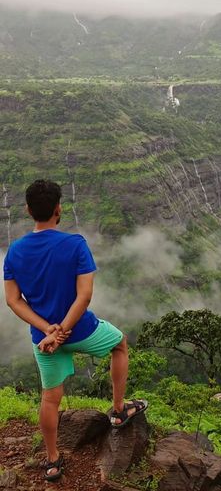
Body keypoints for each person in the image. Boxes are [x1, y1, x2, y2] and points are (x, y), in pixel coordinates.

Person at [3, 180, 147, 482]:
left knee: (50, 398)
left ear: (29, 211)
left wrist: (49, 332)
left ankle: (53, 460)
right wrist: (64, 330)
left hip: (44, 340)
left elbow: (13, 300)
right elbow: (84, 296)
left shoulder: (14, 252)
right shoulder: (75, 244)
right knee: (119, 344)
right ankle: (119, 409)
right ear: (59, 209)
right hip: (81, 329)